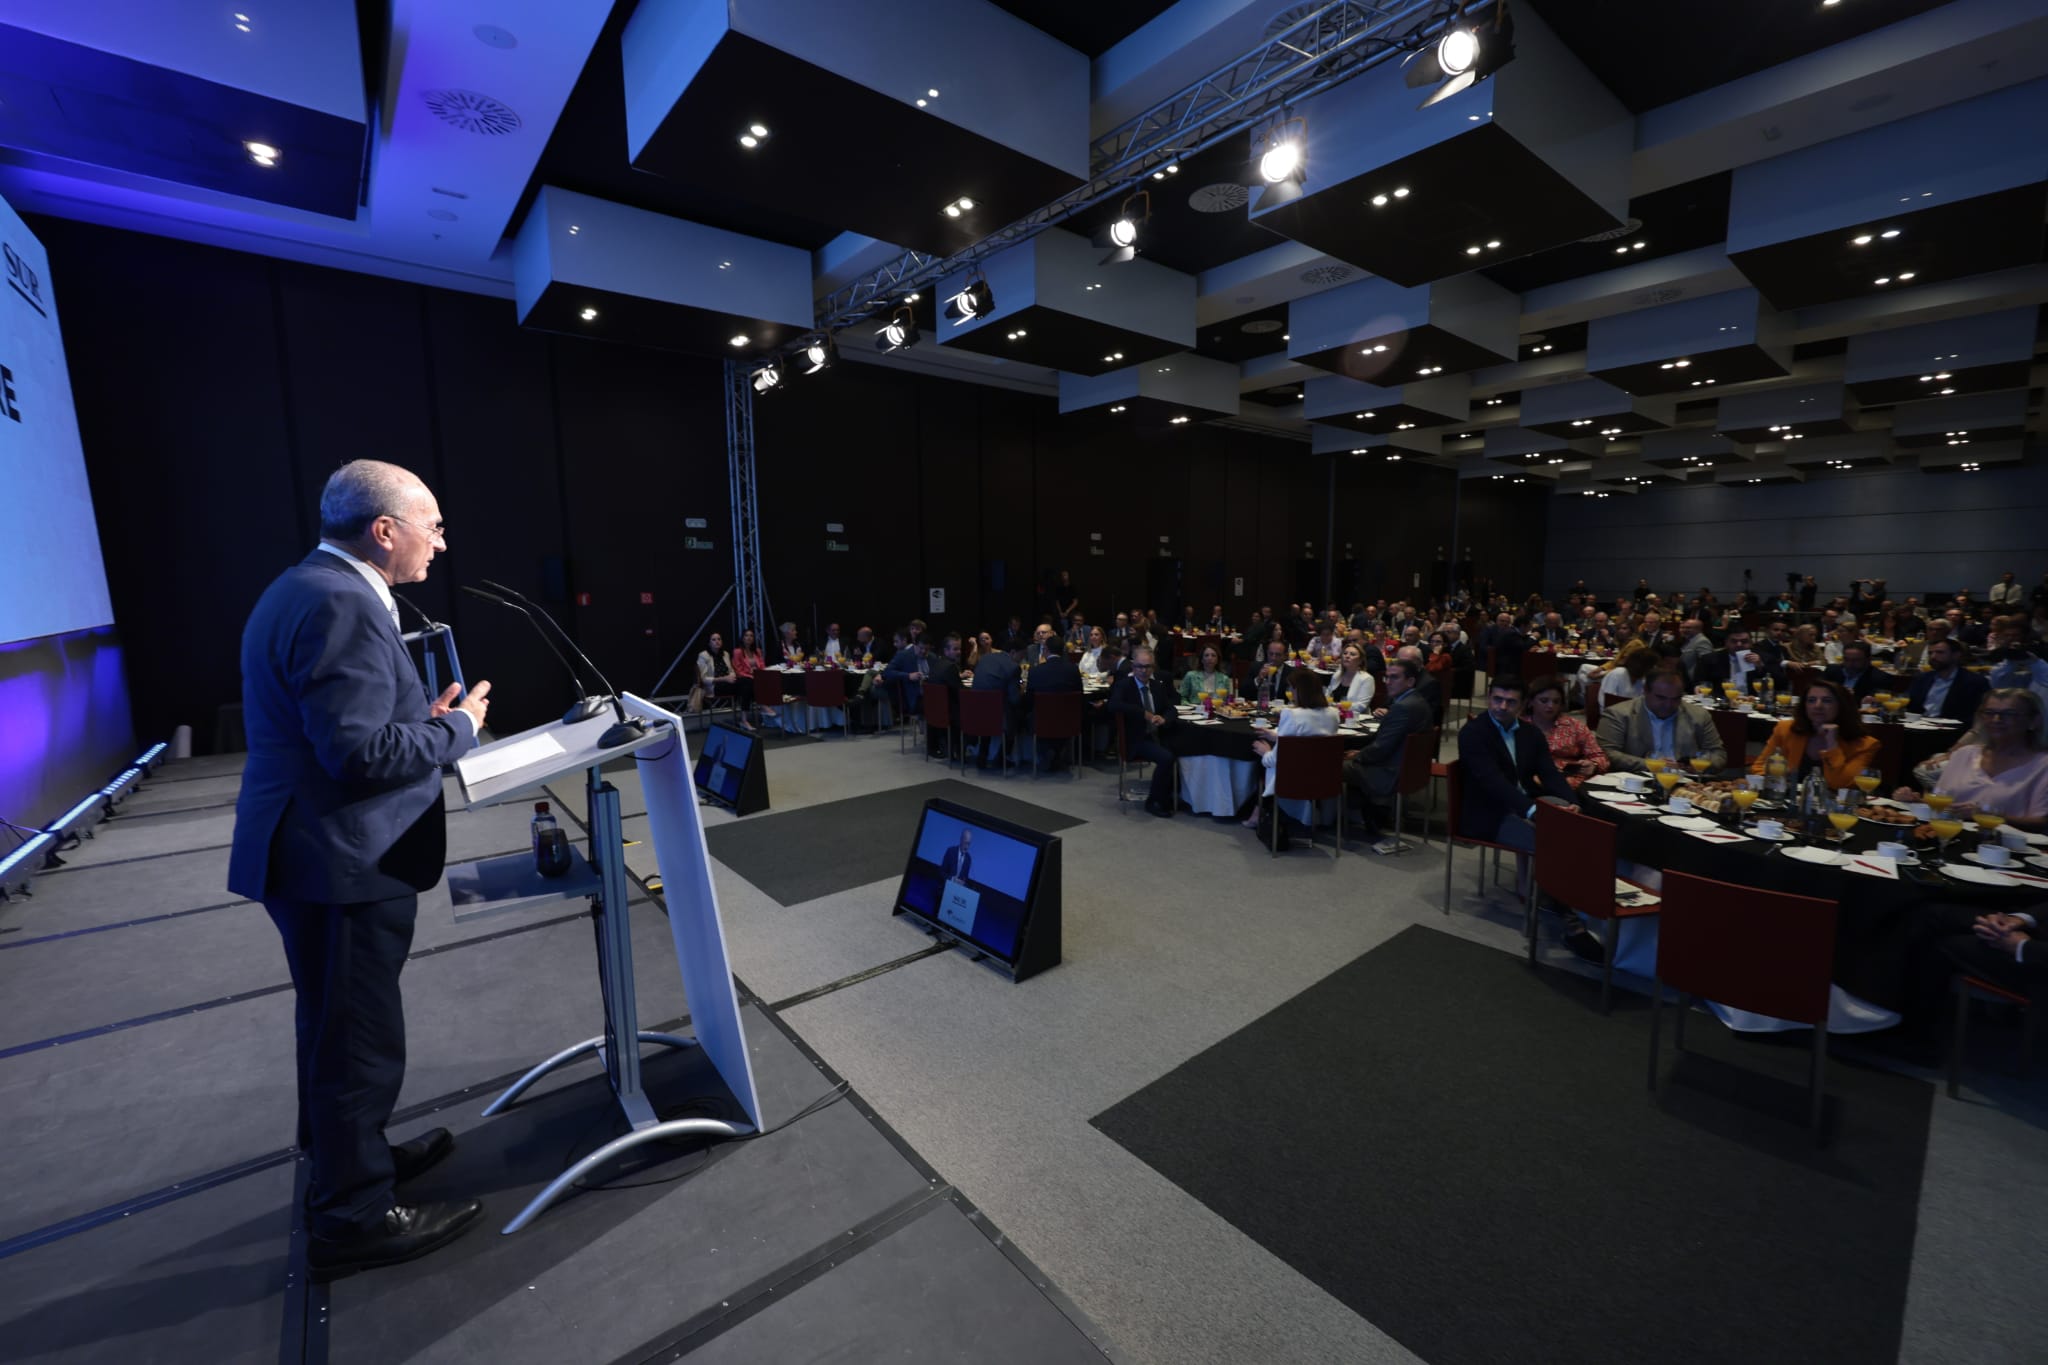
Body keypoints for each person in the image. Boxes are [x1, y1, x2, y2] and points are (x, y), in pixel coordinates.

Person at [230, 460, 492, 1278]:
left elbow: (351, 727)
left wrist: (423, 717)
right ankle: (353, 1216)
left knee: (334, 1028)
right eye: (434, 525)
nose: (442, 542)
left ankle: (351, 1160)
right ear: (384, 530)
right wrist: (460, 731)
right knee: (358, 1043)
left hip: (313, 854)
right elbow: (356, 751)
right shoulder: (341, 600)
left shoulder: (306, 586)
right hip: (338, 859)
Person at [1455, 676, 1574, 854]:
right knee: (1553, 844)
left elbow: (1549, 773)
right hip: (1490, 812)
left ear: (1523, 703)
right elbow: (1492, 781)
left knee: (1579, 825)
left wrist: (1571, 802)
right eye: (1497, 699)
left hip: (1527, 800)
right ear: (1489, 697)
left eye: (1510, 702)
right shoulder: (1473, 733)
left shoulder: (1531, 733)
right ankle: (1536, 881)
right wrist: (1531, 810)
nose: (1502, 707)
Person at [1911, 690, 2048, 830]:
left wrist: (1992, 816)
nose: (1996, 719)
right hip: (1950, 837)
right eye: (1989, 713)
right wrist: (1915, 801)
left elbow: (2041, 823)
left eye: (2009, 714)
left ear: (2034, 721)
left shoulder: (2043, 766)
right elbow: (1942, 805)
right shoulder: (1964, 754)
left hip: (2007, 847)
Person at [1344, 657, 1431, 854]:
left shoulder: (1402, 707)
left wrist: (1358, 756)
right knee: (1354, 758)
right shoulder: (1416, 701)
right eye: (1387, 678)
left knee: (1333, 764)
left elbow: (1381, 748)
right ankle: (1369, 815)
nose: (1388, 682)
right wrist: (1362, 753)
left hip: (1389, 771)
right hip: (1408, 767)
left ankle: (1326, 821)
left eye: (1394, 678)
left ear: (1410, 681)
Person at [1248, 669, 1341, 833]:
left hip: (1293, 778)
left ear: (1299, 689)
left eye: (1291, 688)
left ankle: (1260, 810)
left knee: (1259, 760)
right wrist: (1277, 736)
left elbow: (1277, 759)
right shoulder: (1333, 714)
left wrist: (1265, 752)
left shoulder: (1291, 714)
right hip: (1322, 776)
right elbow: (1310, 741)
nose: (1290, 693)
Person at [1751, 679, 1880, 790]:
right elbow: (1758, 768)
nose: (1818, 706)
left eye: (1827, 701)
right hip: (1786, 800)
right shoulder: (1786, 729)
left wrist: (1832, 744)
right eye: (1811, 700)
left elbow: (1839, 784)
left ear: (1842, 706)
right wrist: (1781, 778)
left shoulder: (1866, 745)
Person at [1596, 668, 1729, 773]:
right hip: (1637, 779)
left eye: (1676, 698)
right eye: (1661, 698)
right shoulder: (1618, 714)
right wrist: (1652, 765)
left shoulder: (1699, 715)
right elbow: (1607, 753)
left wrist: (1700, 765)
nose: (1668, 704)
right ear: (1645, 691)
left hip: (1685, 782)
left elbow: (1718, 754)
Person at [1108, 647, 1181, 816]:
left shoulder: (1157, 686)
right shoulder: (1124, 685)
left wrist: (1165, 718)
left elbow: (1172, 708)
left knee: (1182, 749)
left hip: (1159, 734)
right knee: (1167, 758)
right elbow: (1113, 705)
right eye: (1140, 666)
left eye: (1147, 666)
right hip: (1136, 739)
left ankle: (1169, 794)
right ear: (1133, 667)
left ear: (1153, 668)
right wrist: (1143, 713)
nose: (1143, 670)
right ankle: (1154, 801)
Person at [1524, 674, 1606, 786]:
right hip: (1531, 781)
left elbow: (1599, 756)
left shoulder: (1574, 725)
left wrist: (1594, 766)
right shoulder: (1520, 726)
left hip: (1572, 782)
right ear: (1531, 702)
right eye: (1544, 701)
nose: (1550, 706)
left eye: (1556, 701)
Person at [967, 639, 1025, 769]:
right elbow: (1015, 699)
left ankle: (982, 755)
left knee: (990, 708)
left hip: (976, 711)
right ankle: (1002, 756)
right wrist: (1021, 689)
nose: (1022, 659)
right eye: (1021, 655)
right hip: (999, 716)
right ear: (1013, 652)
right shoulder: (1013, 667)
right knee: (1016, 713)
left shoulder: (985, 659)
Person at [1027, 643, 1083, 772]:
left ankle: (1048, 752)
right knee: (1063, 716)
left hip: (1042, 721)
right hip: (1069, 721)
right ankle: (1058, 752)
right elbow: (1080, 695)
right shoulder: (1073, 670)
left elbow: (1029, 700)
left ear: (1046, 650)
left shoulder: (1036, 671)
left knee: (1031, 715)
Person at [1907, 636, 1989, 721]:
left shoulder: (1975, 682)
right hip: (1919, 726)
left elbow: (1976, 715)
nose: (1933, 657)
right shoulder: (1922, 679)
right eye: (1930, 653)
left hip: (1952, 730)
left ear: (1956, 655)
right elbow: (1912, 708)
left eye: (1940, 652)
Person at [1692, 626, 1779, 693]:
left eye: (1744, 641)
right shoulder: (1709, 659)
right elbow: (1699, 682)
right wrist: (1699, 687)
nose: (1739, 644)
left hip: (1753, 703)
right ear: (1726, 643)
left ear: (1752, 643)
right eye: (1734, 641)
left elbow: (1780, 684)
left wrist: (1761, 666)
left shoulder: (1765, 658)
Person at [1823, 641, 1897, 704]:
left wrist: (1850, 697)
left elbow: (1874, 704)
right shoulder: (1832, 671)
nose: (1850, 664)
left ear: (1868, 660)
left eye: (1856, 660)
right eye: (1846, 659)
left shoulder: (1880, 678)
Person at [688, 630, 739, 719]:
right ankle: (743, 718)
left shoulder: (725, 654)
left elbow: (731, 670)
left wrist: (732, 676)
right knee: (743, 687)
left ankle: (743, 718)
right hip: (713, 687)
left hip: (728, 683)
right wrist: (724, 679)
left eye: (719, 639)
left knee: (745, 684)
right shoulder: (703, 655)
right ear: (709, 643)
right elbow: (704, 679)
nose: (717, 641)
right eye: (714, 639)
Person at [1328, 644, 1376, 708]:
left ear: (1360, 660)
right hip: (1332, 713)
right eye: (1345, 653)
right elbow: (1327, 696)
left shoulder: (1367, 679)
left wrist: (1335, 705)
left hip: (1354, 716)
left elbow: (1360, 706)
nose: (1347, 656)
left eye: (1352, 654)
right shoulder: (1337, 674)